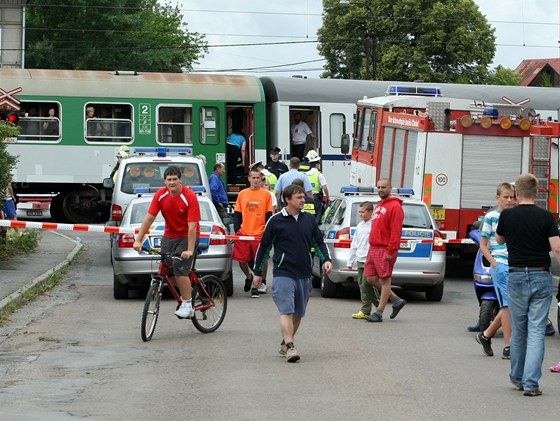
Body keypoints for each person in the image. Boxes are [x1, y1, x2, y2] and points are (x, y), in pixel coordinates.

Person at [496, 173, 560, 396]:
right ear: (536, 192)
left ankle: (517, 376)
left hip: (515, 276)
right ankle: (531, 383)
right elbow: (557, 247)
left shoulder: (507, 216)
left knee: (518, 331)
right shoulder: (546, 217)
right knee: (536, 331)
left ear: (517, 192)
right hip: (541, 276)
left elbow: (499, 240)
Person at [252, 183, 332, 363]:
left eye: (303, 196)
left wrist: (326, 259)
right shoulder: (275, 220)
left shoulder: (309, 219)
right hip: (283, 272)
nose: (304, 200)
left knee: (298, 312)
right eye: (299, 197)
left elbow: (319, 242)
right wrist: (258, 272)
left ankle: (285, 341)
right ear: (287, 199)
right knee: (286, 310)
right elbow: (264, 247)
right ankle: (290, 346)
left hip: (304, 273)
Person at [133, 166, 201, 319]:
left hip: (187, 236)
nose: (172, 183)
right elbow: (149, 218)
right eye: (169, 180)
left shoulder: (189, 196)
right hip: (169, 235)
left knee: (179, 268)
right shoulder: (161, 194)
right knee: (166, 271)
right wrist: (138, 240)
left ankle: (187, 304)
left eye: (175, 179)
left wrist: (190, 250)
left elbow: (192, 227)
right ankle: (188, 290)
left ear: (180, 180)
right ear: (165, 181)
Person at [475, 183, 516, 359]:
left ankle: (485, 335)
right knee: (507, 306)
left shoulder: (516, 215)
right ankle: (508, 347)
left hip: (516, 265)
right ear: (497, 198)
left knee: (513, 306)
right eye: (505, 197)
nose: (509, 200)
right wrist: (495, 264)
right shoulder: (491, 217)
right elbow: (483, 246)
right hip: (500, 265)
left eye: (512, 197)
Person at [364, 178, 406, 323]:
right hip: (373, 247)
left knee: (385, 280)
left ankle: (379, 313)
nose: (380, 189)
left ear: (390, 188)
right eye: (378, 187)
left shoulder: (395, 207)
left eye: (383, 187)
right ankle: (396, 300)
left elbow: (396, 232)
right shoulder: (380, 204)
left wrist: (391, 250)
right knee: (370, 278)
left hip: (384, 248)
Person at [233, 169, 273, 297]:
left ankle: (258, 285)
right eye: (253, 178)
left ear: (261, 179)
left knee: (261, 259)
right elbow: (237, 213)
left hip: (259, 232)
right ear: (249, 179)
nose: (255, 180)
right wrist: (236, 230)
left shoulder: (266, 195)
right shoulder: (242, 194)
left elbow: (269, 214)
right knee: (241, 260)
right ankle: (249, 277)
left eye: (258, 178)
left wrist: (267, 230)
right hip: (244, 232)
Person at [347, 201, 380, 319]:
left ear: (370, 212)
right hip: (360, 258)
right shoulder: (360, 226)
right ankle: (366, 310)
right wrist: (350, 261)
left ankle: (379, 304)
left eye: (363, 212)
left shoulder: (375, 224)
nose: (360, 214)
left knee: (366, 284)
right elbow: (354, 244)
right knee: (362, 284)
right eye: (359, 212)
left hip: (370, 259)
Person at [303, 150, 330, 221]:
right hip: (316, 198)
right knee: (317, 217)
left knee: (307, 216)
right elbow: (325, 187)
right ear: (317, 164)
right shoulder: (319, 175)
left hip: (306, 197)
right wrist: (328, 198)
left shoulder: (305, 175)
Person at [209, 163, 232, 228]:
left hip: (221, 205)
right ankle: (227, 237)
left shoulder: (216, 178)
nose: (224, 171)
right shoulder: (214, 178)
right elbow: (213, 189)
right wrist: (218, 202)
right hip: (220, 206)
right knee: (225, 223)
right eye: (223, 169)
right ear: (218, 169)